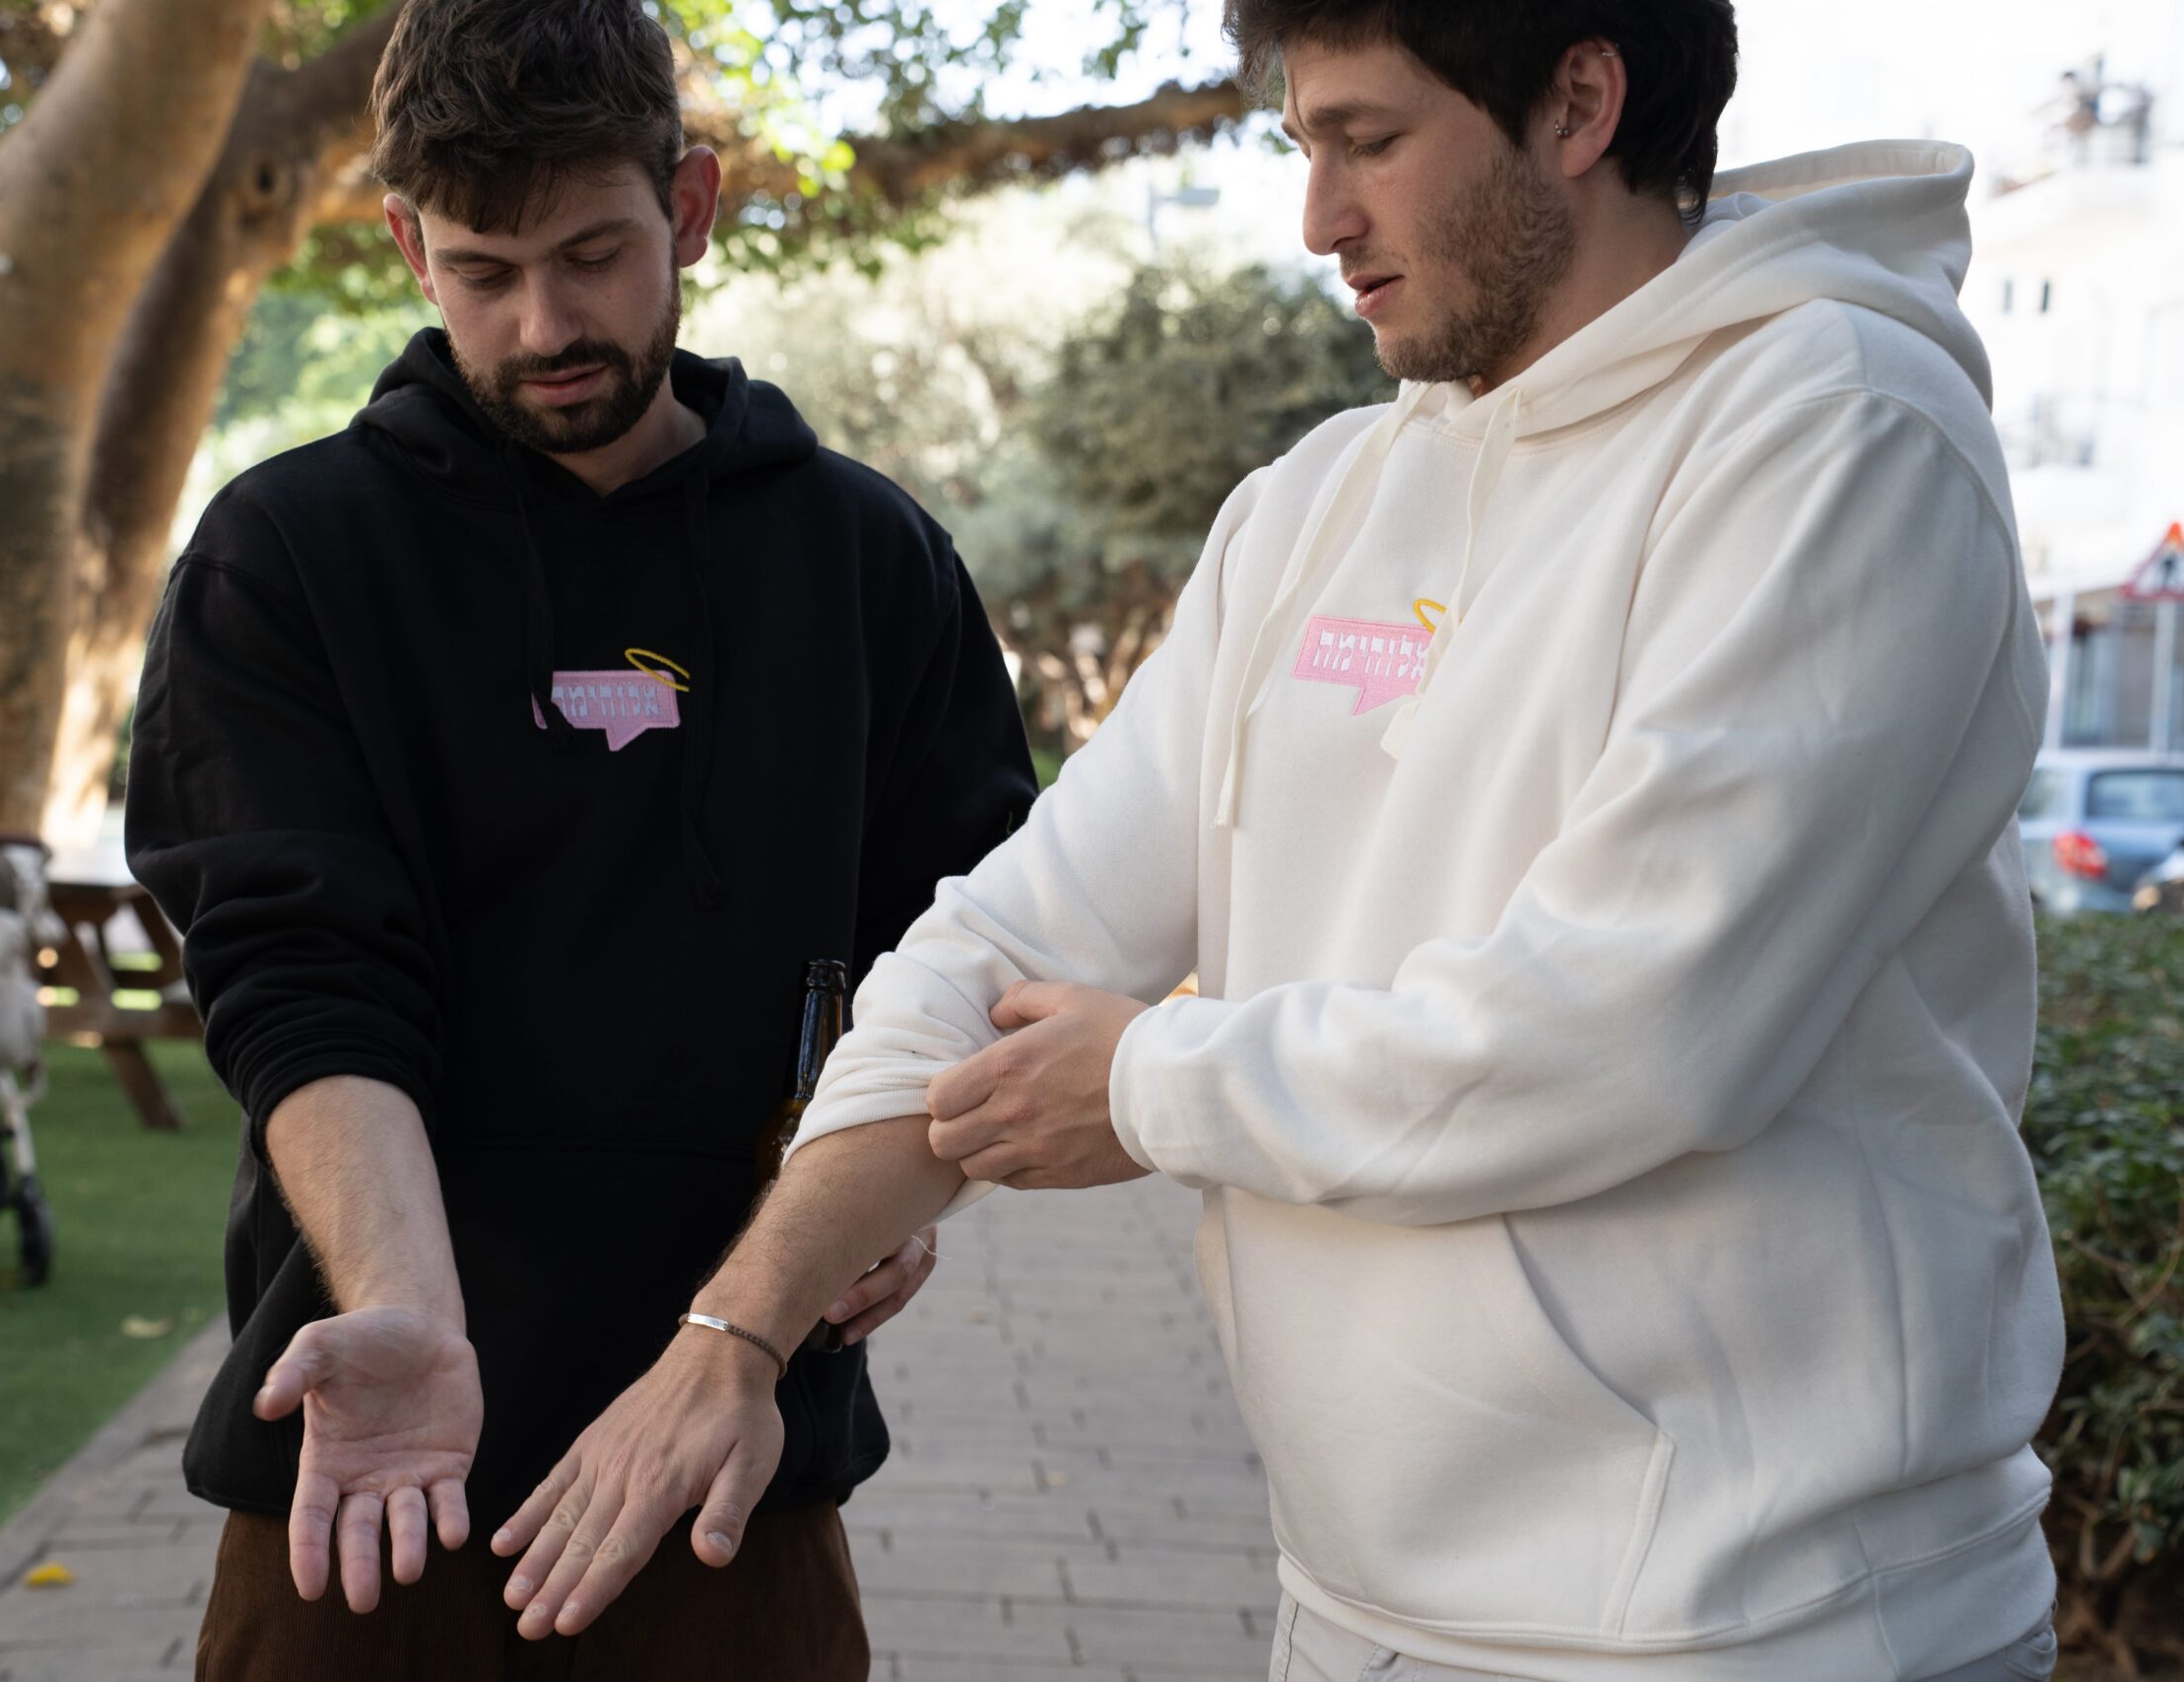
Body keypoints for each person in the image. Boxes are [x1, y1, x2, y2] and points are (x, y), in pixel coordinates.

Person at [494, 5, 2069, 1680]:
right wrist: (736, 1330)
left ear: (1580, 102)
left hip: (1764, 1619)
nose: (1319, 218)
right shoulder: (1318, 503)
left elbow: (1637, 1025)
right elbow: (1003, 943)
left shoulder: (1841, 429)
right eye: (1302, 145)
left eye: (1368, 141)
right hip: (1356, 1603)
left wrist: (1149, 1082)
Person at [121, 0, 1037, 1674]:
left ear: (690, 206)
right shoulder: (286, 555)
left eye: (593, 255)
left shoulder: (868, 561)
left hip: (734, 1451)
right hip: (376, 1464)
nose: (544, 322)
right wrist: (407, 1309)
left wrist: (897, 1184)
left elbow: (963, 958)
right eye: (483, 270)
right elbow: (301, 979)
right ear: (408, 247)